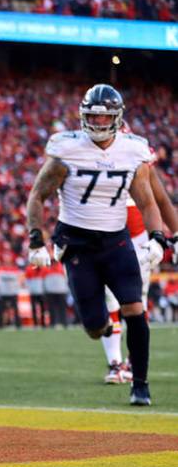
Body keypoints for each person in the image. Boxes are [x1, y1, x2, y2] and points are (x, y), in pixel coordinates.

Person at [26, 84, 167, 406]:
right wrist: (37, 237)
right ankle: (102, 327)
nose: (99, 124)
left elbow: (147, 202)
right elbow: (38, 194)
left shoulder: (133, 151)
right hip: (77, 243)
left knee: (135, 309)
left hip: (116, 241)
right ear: (82, 116)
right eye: (93, 117)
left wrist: (158, 236)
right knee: (93, 326)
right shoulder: (67, 149)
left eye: (106, 118)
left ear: (117, 119)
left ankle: (140, 385)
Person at [98, 126, 177, 384]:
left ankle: (132, 361)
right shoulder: (87, 154)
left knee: (135, 301)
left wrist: (174, 234)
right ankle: (114, 362)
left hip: (138, 237)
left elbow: (160, 199)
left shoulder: (137, 155)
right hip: (106, 233)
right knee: (108, 301)